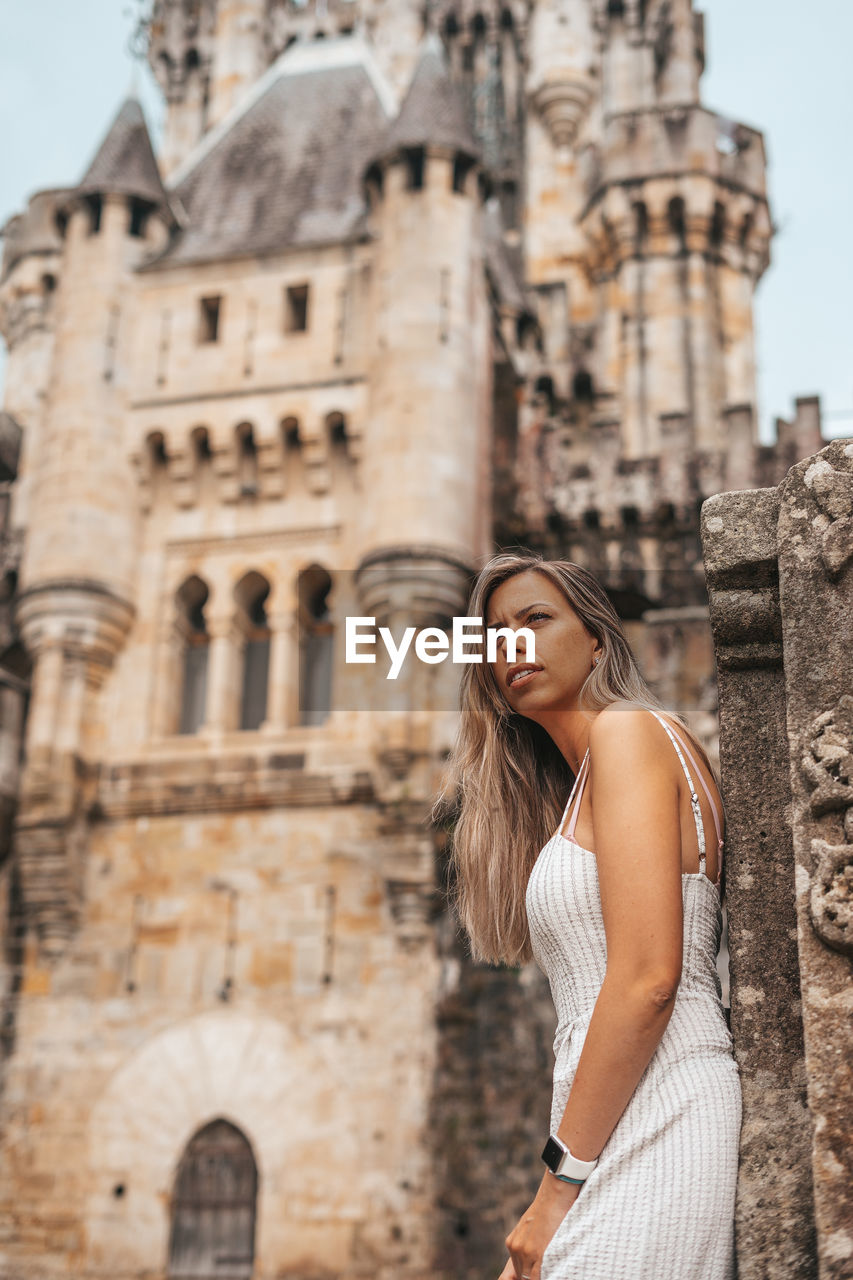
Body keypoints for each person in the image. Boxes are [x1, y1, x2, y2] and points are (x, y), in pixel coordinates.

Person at [435, 552, 741, 1280]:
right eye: (495, 636)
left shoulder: (627, 732)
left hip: (661, 1110)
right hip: (615, 1126)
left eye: (536, 620)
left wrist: (551, 1194)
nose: (513, 646)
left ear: (598, 640)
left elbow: (646, 981)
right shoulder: (589, 776)